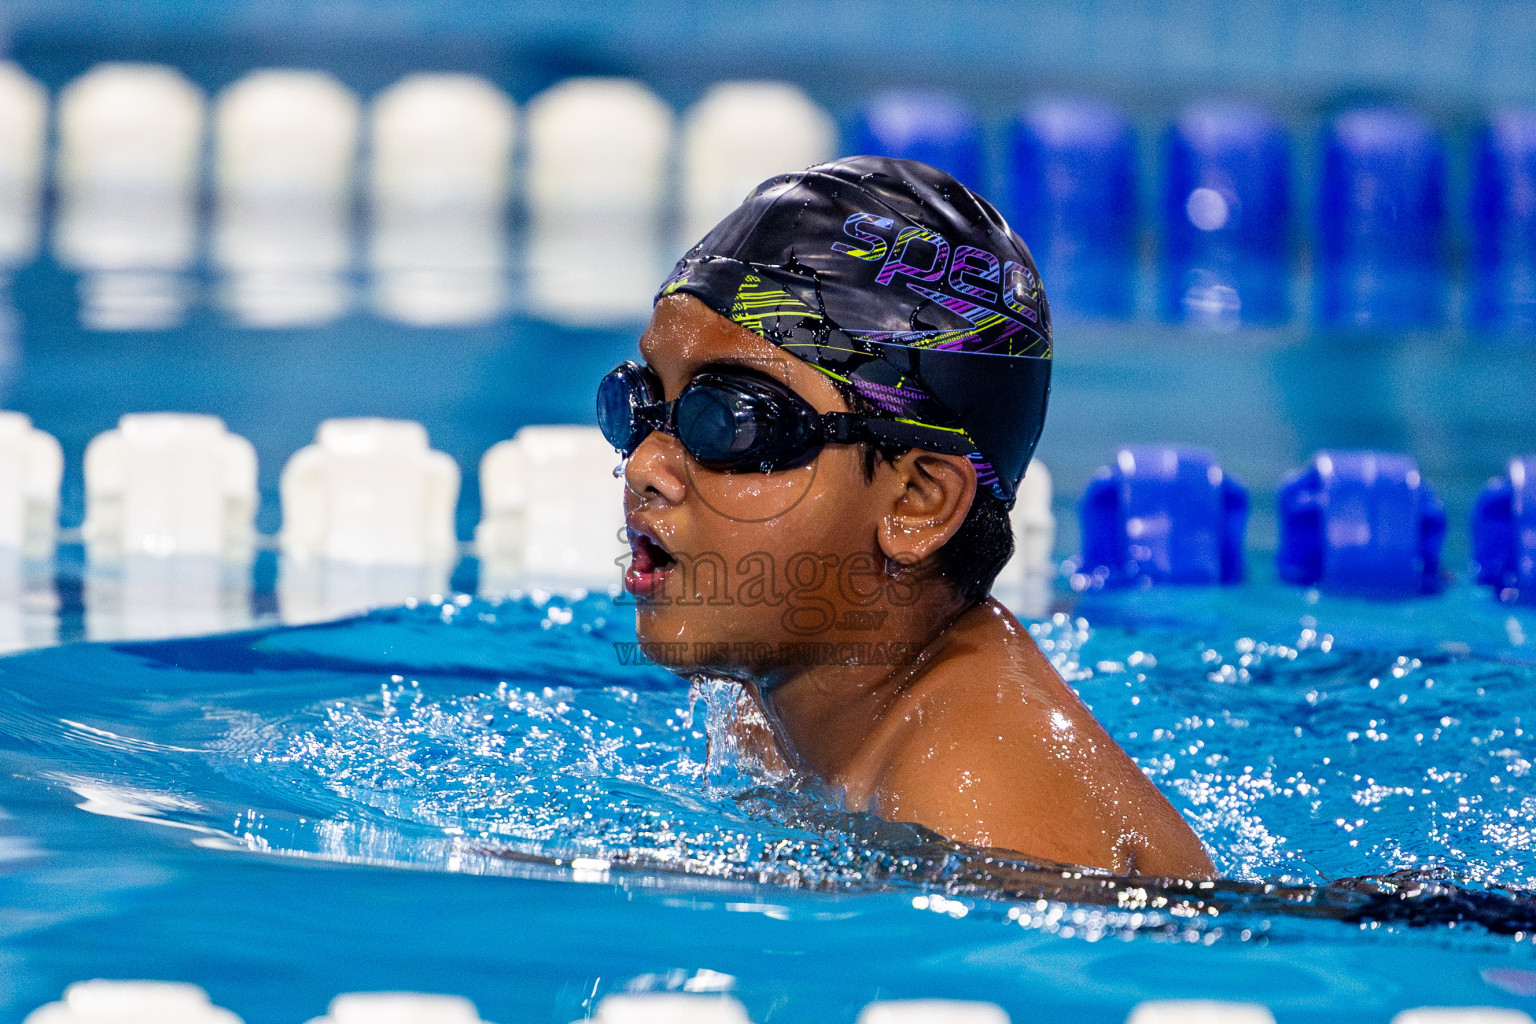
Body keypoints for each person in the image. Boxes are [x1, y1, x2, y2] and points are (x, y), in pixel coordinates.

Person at [597, 156, 1213, 879]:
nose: (645, 464)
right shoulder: (781, 699)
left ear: (917, 501)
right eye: (639, 402)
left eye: (733, 419)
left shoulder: (978, 799)